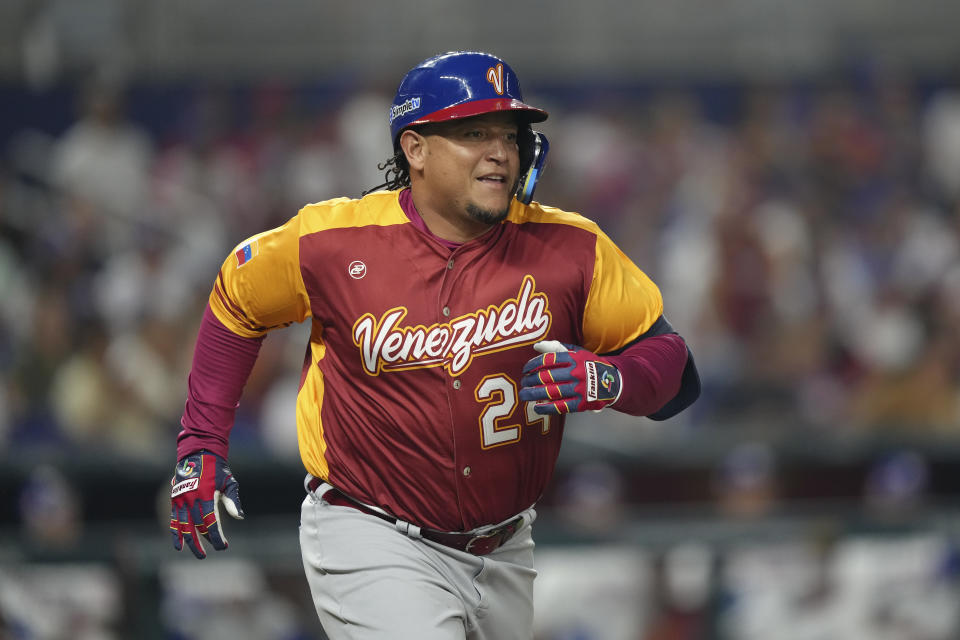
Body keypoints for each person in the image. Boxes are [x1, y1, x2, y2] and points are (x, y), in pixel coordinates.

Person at [169, 50, 701, 639]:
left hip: (507, 545)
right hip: (370, 530)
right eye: (474, 132)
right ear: (414, 148)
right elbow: (235, 301)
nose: (499, 150)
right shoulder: (332, 240)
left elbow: (676, 370)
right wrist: (201, 444)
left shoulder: (569, 248)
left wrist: (614, 381)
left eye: (509, 133)